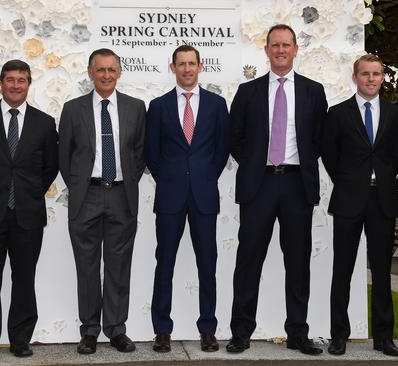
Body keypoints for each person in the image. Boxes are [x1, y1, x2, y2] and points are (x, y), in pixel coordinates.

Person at [227, 24, 328, 355]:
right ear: (267, 50)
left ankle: (298, 333)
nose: (281, 50)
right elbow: (236, 138)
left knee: (298, 263)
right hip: (259, 185)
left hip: (297, 185)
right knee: (248, 260)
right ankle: (241, 331)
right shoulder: (248, 92)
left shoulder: (314, 91)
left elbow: (317, 140)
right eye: (275, 45)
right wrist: (258, 164)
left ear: (296, 49)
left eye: (286, 45)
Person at [0, 60, 59, 364]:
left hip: (28, 215)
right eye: (10, 80)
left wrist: (29, 192)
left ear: (28, 84)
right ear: (1, 83)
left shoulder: (45, 123)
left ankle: (20, 339)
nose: (16, 85)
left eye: (21, 80)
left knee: (24, 279)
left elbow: (50, 166)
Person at [58, 48, 146, 355]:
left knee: (119, 266)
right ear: (90, 72)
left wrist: (125, 182)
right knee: (87, 266)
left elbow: (139, 153)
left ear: (119, 73)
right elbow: (64, 157)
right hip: (87, 197)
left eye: (111, 69)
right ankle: (90, 331)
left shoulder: (136, 107)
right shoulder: (72, 109)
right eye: (100, 69)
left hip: (122, 196)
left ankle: (117, 329)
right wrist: (83, 185)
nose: (106, 75)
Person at [145, 45, 230, 353]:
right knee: (163, 263)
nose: (187, 69)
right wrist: (170, 178)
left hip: (205, 196)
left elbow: (222, 150)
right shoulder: (158, 106)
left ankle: (208, 328)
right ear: (173, 68)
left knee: (208, 264)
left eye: (192, 63)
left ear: (200, 66)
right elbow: (151, 153)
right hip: (170, 197)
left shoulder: (218, 105)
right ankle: (162, 330)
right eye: (181, 64)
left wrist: (205, 176)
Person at [321, 54, 398, 357]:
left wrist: (380, 177)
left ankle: (384, 338)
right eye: (365, 74)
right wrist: (349, 180)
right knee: (341, 269)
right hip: (348, 199)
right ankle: (338, 336)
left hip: (382, 200)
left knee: (383, 271)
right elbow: (329, 154)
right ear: (355, 77)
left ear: (383, 77)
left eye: (376, 74)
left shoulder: (396, 114)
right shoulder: (338, 113)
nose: (371, 79)